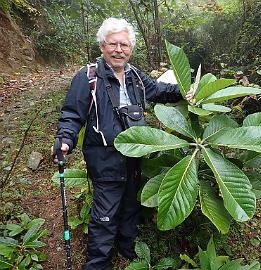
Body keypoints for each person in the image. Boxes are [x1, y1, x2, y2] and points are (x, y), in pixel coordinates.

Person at [52, 17, 193, 270]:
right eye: (113, 44)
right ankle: (98, 264)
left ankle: (127, 249)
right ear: (102, 46)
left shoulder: (135, 76)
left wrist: (183, 92)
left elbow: (159, 90)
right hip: (105, 160)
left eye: (124, 45)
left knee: (130, 206)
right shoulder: (87, 78)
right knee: (104, 216)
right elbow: (72, 114)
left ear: (131, 48)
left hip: (134, 155)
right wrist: (65, 139)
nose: (119, 50)